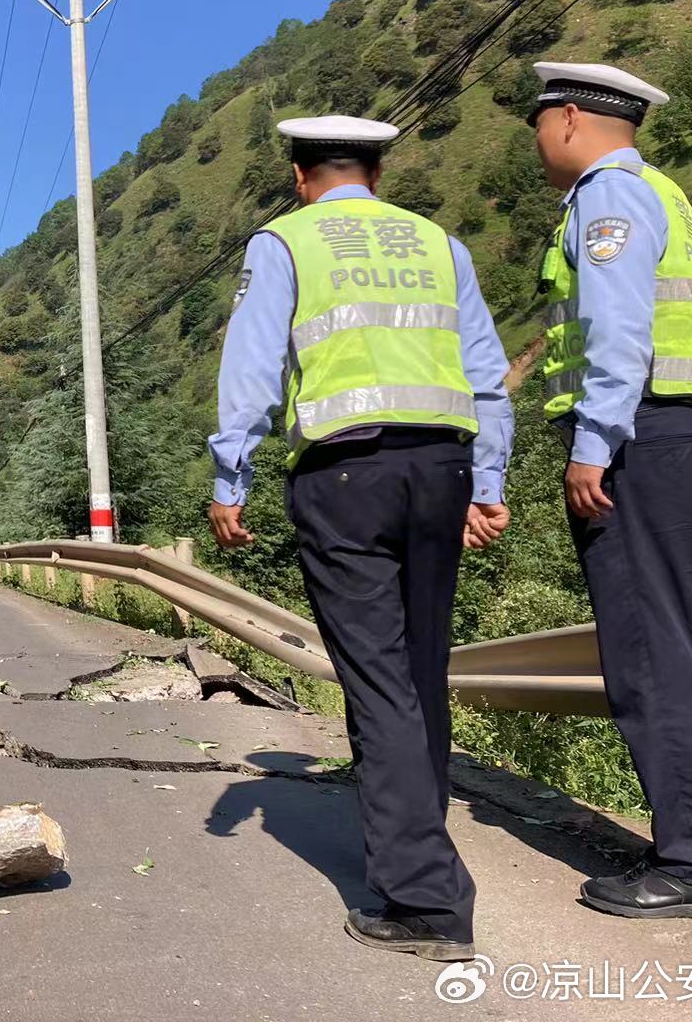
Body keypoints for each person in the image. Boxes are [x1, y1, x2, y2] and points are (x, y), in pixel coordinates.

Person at [207, 115, 512, 961]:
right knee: (421, 670)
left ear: (300, 175)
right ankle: (422, 841)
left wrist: (229, 477)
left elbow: (252, 363)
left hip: (345, 477)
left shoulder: (285, 240)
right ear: (374, 173)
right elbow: (483, 371)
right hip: (442, 468)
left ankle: (425, 901)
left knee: (376, 677)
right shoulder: (435, 243)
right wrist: (486, 483)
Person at [528, 61, 692, 920]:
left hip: (638, 444)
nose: (539, 142)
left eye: (539, 125)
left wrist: (594, 445)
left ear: (569, 119)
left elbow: (620, 330)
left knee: (651, 651)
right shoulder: (669, 194)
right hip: (686, 436)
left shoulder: (604, 198)